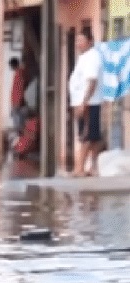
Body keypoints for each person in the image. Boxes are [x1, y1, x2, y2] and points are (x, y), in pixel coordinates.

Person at [68, 28, 104, 177]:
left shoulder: (91, 57)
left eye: (81, 40)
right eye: (77, 40)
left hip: (88, 103)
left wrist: (84, 102)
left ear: (90, 42)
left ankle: (79, 168)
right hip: (86, 102)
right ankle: (93, 168)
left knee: (86, 136)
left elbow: (92, 81)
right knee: (93, 136)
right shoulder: (85, 57)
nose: (78, 44)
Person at [9, 57, 27, 132]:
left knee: (18, 125)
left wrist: (18, 102)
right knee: (18, 124)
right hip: (17, 102)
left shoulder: (19, 73)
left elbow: (19, 88)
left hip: (17, 103)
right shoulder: (19, 73)